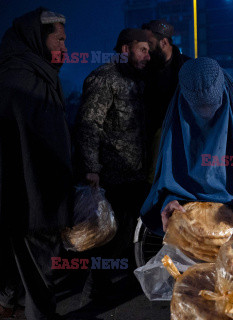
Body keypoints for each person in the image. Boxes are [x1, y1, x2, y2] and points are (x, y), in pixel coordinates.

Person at [141, 57, 233, 234]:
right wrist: (170, 199)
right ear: (185, 100)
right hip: (192, 214)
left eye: (212, 105)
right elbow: (170, 173)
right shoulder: (177, 116)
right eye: (198, 108)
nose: (206, 113)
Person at [0, 8, 72, 319]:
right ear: (37, 38)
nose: (65, 49)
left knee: (26, 267)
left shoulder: (35, 73)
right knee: (42, 268)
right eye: (59, 40)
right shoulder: (20, 78)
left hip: (27, 193)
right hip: (33, 196)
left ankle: (10, 304)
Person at [74, 28, 151, 298]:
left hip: (134, 173)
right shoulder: (104, 78)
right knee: (106, 234)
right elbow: (88, 125)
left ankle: (114, 281)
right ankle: (95, 286)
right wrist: (91, 167)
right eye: (143, 49)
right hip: (111, 175)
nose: (148, 56)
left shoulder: (136, 81)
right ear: (125, 50)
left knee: (127, 232)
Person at [141, 20, 190, 182]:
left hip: (184, 144)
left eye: (150, 43)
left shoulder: (188, 67)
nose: (147, 49)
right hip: (152, 145)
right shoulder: (144, 70)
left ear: (164, 42)